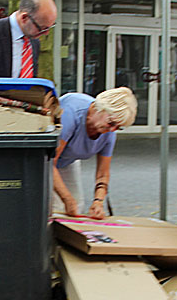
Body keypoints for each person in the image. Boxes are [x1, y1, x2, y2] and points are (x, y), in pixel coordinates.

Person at [52, 88, 137, 219]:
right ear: (100, 109)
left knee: (76, 208)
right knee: (56, 209)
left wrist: (98, 202)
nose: (112, 130)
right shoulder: (70, 114)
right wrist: (67, 198)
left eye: (118, 127)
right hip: (43, 158)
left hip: (67, 160)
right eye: (111, 123)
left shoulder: (109, 133)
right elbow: (50, 161)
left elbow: (103, 173)